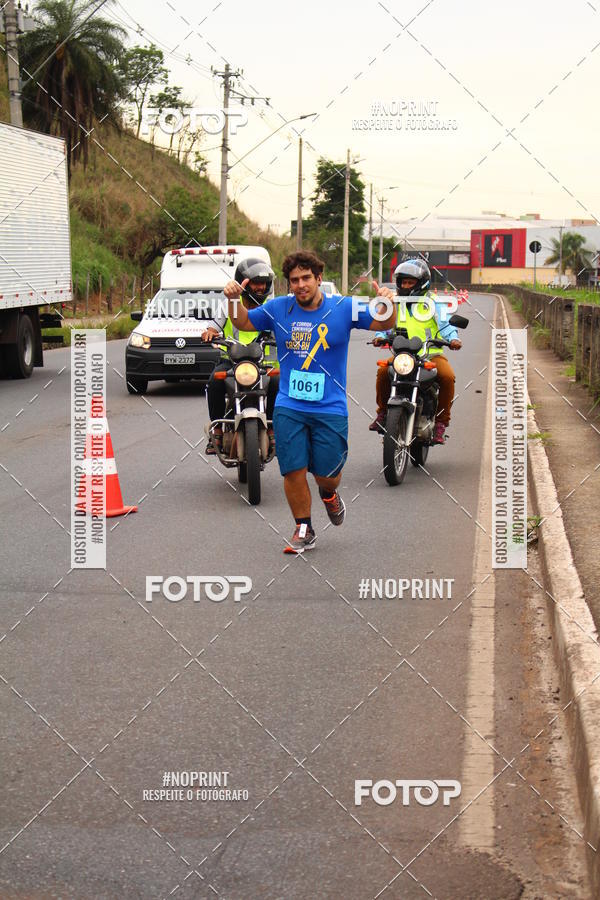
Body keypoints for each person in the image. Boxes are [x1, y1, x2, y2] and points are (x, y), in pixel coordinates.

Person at [224, 250, 396, 553]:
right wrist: (232, 298)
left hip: (330, 407)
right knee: (293, 469)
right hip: (290, 404)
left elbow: (383, 323)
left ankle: (329, 496)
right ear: (289, 284)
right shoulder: (278, 308)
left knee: (327, 477)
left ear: (318, 279)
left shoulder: (343, 307)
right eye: (294, 280)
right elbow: (245, 323)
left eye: (306, 278)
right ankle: (303, 526)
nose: (300, 284)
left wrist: (387, 302)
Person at [369, 258, 462, 443]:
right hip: (403, 356)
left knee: (447, 376)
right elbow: (388, 324)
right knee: (382, 372)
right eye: (403, 282)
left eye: (410, 282)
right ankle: (383, 414)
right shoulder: (396, 302)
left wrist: (453, 339)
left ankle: (442, 423)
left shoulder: (433, 302)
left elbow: (446, 325)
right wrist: (381, 336)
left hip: (431, 355)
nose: (406, 285)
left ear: (422, 284)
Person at [202, 258, 279, 455]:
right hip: (230, 362)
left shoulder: (270, 309)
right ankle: (217, 431)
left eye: (263, 283)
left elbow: (284, 330)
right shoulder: (229, 305)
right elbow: (213, 327)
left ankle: (272, 430)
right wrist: (210, 333)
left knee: (278, 381)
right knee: (215, 381)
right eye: (255, 282)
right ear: (243, 281)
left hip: (263, 365)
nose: (260, 287)